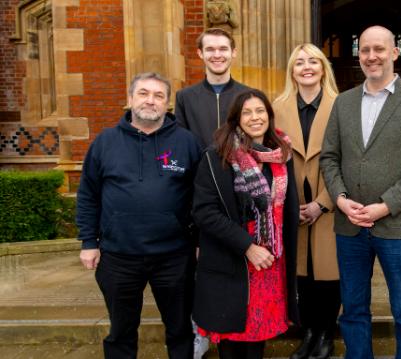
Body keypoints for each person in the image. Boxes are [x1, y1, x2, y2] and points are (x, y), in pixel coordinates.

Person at [319, 25, 401, 359]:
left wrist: (384, 206)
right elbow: (330, 157)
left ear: (394, 52)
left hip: (399, 227)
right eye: (365, 50)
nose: (372, 56)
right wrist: (341, 200)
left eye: (379, 49)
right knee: (354, 309)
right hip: (350, 226)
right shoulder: (343, 103)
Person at [76, 72, 202, 359]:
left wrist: (199, 242)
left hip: (175, 256)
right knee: (120, 332)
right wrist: (88, 242)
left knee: (180, 330)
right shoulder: (105, 142)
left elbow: (201, 198)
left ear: (167, 104)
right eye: (143, 93)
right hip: (119, 255)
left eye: (159, 96)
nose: (150, 100)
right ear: (130, 98)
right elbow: (88, 195)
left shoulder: (187, 142)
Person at [191, 88, 300, 359]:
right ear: (236, 119)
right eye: (247, 112)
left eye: (260, 111)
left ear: (269, 115)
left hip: (270, 259)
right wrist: (247, 246)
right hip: (233, 256)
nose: (254, 117)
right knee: (231, 334)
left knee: (258, 335)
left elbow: (286, 209)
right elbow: (205, 212)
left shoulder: (281, 156)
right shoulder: (217, 157)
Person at [274, 43, 340, 359]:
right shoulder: (277, 107)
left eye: (313, 61)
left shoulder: (341, 106)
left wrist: (322, 203)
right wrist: (289, 204)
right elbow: (269, 160)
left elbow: (350, 160)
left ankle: (326, 333)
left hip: (330, 204)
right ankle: (309, 332)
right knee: (301, 276)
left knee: (327, 275)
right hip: (291, 204)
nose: (306, 67)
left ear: (323, 68)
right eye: (299, 62)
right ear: (292, 70)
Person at [176, 27, 250, 149]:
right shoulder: (184, 97)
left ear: (233, 52)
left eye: (223, 49)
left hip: (241, 167)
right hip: (198, 167)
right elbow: (180, 142)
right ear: (200, 53)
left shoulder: (249, 95)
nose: (217, 55)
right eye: (210, 49)